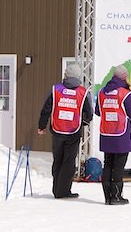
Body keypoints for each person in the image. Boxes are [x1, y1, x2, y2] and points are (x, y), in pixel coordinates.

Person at [37, 63, 93, 199]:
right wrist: (82, 123)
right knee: (68, 161)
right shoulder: (83, 92)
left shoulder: (55, 90)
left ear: (65, 75)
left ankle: (56, 189)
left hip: (57, 130)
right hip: (74, 131)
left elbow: (46, 109)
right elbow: (89, 113)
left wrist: (41, 126)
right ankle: (63, 191)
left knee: (58, 160)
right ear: (79, 76)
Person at [96, 65, 131, 205]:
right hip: (120, 134)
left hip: (106, 133)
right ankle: (116, 197)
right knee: (118, 166)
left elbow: (98, 112)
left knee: (108, 164)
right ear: (124, 77)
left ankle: (107, 197)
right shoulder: (125, 93)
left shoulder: (102, 92)